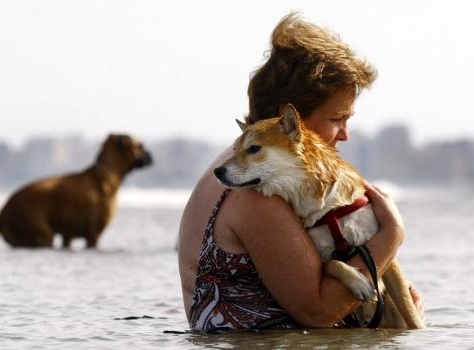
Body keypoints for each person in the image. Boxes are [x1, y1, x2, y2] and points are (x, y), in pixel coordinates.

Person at [178, 13, 423, 332]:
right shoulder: (255, 190)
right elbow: (319, 311)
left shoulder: (246, 168)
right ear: (294, 125)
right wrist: (391, 237)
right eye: (337, 119)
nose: (345, 134)